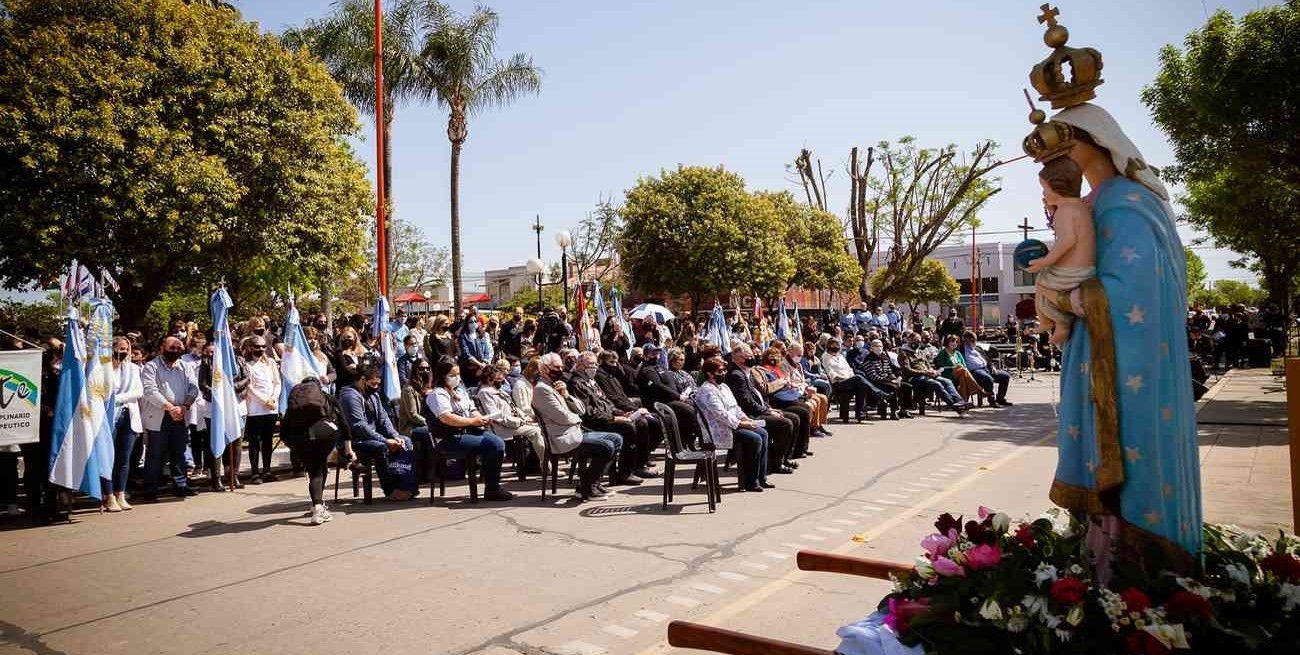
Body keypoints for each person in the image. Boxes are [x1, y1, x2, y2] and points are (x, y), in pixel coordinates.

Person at [1045, 102, 1201, 564]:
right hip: (1094, 350)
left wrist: (1066, 300)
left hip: (1124, 360)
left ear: (1097, 141)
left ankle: (1136, 575)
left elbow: (1133, 291)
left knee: (1127, 469)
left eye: (1068, 143)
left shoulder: (1128, 202)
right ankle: (1099, 564)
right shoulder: (1093, 203)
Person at [1027, 156, 1097, 346]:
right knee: (1044, 281)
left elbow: (1067, 240)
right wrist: (1051, 209)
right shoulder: (1079, 206)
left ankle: (1056, 321)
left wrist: (1046, 260)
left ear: (1057, 188)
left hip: (1074, 272)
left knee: (1041, 283)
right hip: (1087, 268)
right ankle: (1053, 321)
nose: (1043, 194)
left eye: (1045, 189)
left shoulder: (1065, 211)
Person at [421, 357, 513, 501]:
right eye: (452, 375)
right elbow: (446, 418)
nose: (456, 378)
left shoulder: (461, 390)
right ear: (442, 376)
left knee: (498, 443)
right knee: (491, 445)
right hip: (449, 437)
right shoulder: (437, 394)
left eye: (458, 374)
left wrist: (480, 418)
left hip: (468, 431)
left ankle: (492, 487)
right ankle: (492, 489)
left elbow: (472, 408)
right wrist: (472, 421)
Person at [531, 353, 619, 501]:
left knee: (616, 439)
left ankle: (593, 482)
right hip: (562, 438)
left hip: (574, 431)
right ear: (545, 369)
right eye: (556, 367)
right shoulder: (542, 389)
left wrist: (566, 395)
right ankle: (586, 487)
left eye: (561, 366)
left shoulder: (556, 386)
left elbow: (581, 409)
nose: (560, 370)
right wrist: (577, 419)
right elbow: (562, 417)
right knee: (606, 446)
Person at [567, 352, 658, 482]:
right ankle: (623, 473)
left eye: (595, 364)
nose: (594, 367)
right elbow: (589, 413)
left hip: (607, 416)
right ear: (580, 365)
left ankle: (637, 466)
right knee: (629, 427)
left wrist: (621, 413)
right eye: (590, 364)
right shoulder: (576, 384)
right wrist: (614, 419)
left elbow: (607, 402)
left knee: (641, 423)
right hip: (594, 423)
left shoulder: (591, 381)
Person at [695, 357, 771, 492]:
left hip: (732, 424)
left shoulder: (724, 387)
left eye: (724, 370)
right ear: (710, 374)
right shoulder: (707, 390)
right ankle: (750, 481)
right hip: (719, 429)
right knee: (754, 439)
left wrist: (746, 419)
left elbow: (735, 407)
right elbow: (721, 414)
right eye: (720, 371)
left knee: (763, 433)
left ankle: (761, 477)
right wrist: (742, 424)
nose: (723, 373)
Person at [341, 364, 416, 500]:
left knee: (406, 441)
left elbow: (383, 418)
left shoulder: (373, 395)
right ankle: (390, 490)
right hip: (356, 439)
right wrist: (385, 440)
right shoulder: (349, 396)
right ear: (363, 380)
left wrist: (395, 435)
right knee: (382, 448)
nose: (376, 387)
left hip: (374, 436)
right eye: (373, 383)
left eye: (378, 383)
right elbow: (360, 426)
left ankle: (406, 486)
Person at [139, 336, 199, 501]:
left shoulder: (185, 367)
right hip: (160, 415)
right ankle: (151, 489)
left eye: (178, 349)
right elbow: (150, 390)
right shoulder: (151, 367)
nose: (175, 351)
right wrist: (170, 407)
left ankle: (181, 485)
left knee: (179, 452)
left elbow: (194, 389)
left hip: (180, 414)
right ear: (162, 348)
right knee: (155, 454)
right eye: (172, 348)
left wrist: (184, 407)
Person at [724, 344, 795, 474]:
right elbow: (747, 403)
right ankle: (776, 463)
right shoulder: (736, 375)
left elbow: (757, 397)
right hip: (750, 415)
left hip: (759, 409)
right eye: (749, 356)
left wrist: (770, 409)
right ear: (740, 358)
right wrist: (767, 411)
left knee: (793, 418)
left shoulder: (746, 371)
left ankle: (781, 458)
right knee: (786, 424)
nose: (753, 358)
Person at [476, 360, 546, 468]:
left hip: (515, 422)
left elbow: (513, 408)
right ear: (490, 379)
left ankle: (533, 464)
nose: (502, 380)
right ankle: (546, 466)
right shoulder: (485, 392)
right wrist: (519, 421)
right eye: (498, 379)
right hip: (503, 427)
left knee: (542, 427)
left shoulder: (500, 391)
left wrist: (526, 417)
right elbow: (496, 416)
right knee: (536, 431)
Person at [753, 346, 814, 457]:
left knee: (806, 408)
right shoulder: (759, 370)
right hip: (775, 400)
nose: (775, 359)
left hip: (786, 395)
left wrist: (787, 383)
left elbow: (787, 382)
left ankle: (800, 448)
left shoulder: (776, 369)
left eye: (777, 356)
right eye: (772, 356)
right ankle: (790, 452)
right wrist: (782, 382)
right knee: (800, 413)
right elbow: (766, 389)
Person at [105, 337, 143, 511]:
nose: (123, 352)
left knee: (124, 458)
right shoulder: (102, 368)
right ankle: (109, 495)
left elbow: (138, 392)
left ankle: (121, 493)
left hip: (129, 415)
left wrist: (116, 399)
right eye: (120, 348)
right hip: (108, 417)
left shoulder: (133, 369)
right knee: (108, 457)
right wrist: (112, 401)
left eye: (126, 349)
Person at [898, 332, 967, 415]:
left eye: (919, 342)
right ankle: (954, 405)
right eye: (916, 341)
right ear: (909, 340)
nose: (918, 343)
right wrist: (925, 372)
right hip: (913, 377)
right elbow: (907, 370)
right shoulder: (904, 353)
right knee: (936, 384)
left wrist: (932, 371)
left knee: (947, 381)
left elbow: (928, 364)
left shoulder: (920, 352)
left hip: (927, 375)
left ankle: (960, 401)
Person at [243, 336, 281, 483]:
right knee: (254, 441)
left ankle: (267, 470)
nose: (261, 349)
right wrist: (264, 400)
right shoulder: (247, 365)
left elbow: (277, 382)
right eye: (257, 347)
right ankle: (254, 472)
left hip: (271, 408)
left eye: (263, 346)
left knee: (267, 440)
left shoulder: (270, 363)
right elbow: (249, 387)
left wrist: (273, 398)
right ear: (250, 348)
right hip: (255, 409)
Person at [819, 338, 870, 422]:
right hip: (838, 383)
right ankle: (877, 394)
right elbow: (832, 375)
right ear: (829, 345)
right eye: (833, 345)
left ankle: (859, 415)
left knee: (860, 386)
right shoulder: (825, 357)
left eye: (837, 345)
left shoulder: (840, 356)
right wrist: (847, 378)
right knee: (858, 378)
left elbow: (849, 369)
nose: (835, 347)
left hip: (848, 381)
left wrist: (851, 378)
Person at [961, 331, 1012, 406]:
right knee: (988, 379)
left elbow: (987, 359)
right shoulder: (961, 349)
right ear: (966, 340)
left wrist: (992, 366)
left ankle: (1000, 398)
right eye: (972, 340)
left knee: (1005, 376)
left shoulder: (977, 348)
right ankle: (992, 400)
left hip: (986, 368)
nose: (974, 342)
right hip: (975, 371)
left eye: (975, 340)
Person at [933, 334, 989, 404]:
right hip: (948, 374)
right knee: (962, 370)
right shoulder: (942, 353)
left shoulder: (958, 353)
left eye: (956, 342)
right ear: (947, 342)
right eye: (952, 341)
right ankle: (979, 390)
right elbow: (940, 367)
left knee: (963, 376)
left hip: (960, 374)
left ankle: (962, 401)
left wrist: (959, 366)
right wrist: (953, 367)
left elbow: (964, 365)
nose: (954, 343)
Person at [859, 339, 907, 419]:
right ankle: (893, 411)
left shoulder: (884, 358)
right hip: (876, 383)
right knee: (893, 388)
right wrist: (890, 381)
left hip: (888, 380)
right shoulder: (868, 359)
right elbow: (873, 376)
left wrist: (895, 379)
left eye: (880, 346)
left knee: (906, 386)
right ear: (871, 348)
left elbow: (889, 371)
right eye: (876, 346)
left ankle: (904, 410)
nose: (879, 348)